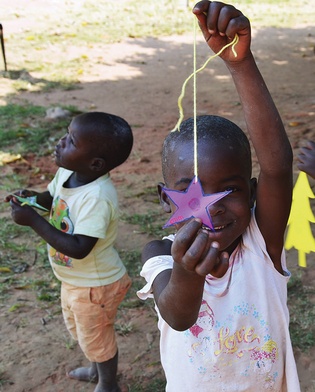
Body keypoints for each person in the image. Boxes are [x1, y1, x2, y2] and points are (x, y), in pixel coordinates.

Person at [137, 1, 300, 391]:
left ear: (254, 193)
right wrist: (187, 272)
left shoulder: (263, 244)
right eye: (190, 192)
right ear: (166, 199)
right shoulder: (158, 253)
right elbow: (178, 315)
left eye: (230, 189)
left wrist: (240, 65)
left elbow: (277, 167)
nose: (214, 206)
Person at [6, 111, 133, 392]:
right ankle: (94, 369)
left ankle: (108, 384)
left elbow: (79, 248)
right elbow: (51, 198)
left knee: (97, 335)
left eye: (71, 141)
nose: (61, 141)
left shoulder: (98, 198)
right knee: (83, 332)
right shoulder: (68, 172)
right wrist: (31, 198)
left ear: (95, 163)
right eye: (66, 133)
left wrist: (33, 221)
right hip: (76, 281)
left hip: (96, 284)